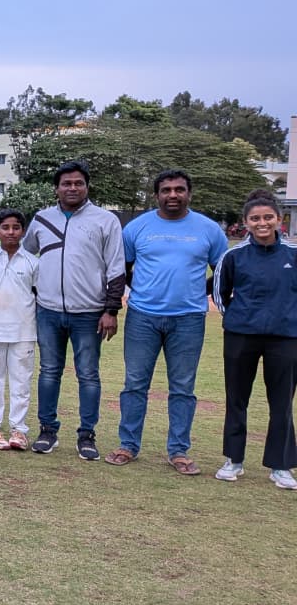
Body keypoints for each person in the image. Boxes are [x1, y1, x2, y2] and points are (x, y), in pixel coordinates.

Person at [105, 170, 228, 475]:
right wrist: (143, 289)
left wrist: (197, 290)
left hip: (188, 319)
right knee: (135, 384)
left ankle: (179, 451)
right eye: (166, 190)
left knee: (183, 387)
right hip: (142, 317)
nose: (173, 195)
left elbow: (223, 271)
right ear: (156, 194)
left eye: (179, 189)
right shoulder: (138, 227)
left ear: (189, 193)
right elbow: (123, 268)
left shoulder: (209, 230)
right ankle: (128, 445)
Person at [22, 160, 124, 459]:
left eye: (78, 183)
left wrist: (111, 310)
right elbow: (24, 255)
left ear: (87, 187)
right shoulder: (42, 219)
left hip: (89, 312)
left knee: (88, 374)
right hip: (48, 310)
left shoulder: (106, 220)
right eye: (66, 183)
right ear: (56, 188)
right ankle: (47, 430)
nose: (72, 188)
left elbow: (116, 267)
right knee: (49, 371)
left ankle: (87, 435)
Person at [212, 189, 297, 489]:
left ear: (278, 219)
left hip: (285, 338)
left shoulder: (293, 254)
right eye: (255, 218)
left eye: (268, 217)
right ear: (246, 222)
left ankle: (281, 466)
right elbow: (219, 293)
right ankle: (233, 460)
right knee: (237, 399)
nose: (262, 223)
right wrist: (237, 319)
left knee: (282, 403)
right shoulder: (233, 256)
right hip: (241, 336)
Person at [0, 209, 39, 451]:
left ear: (23, 231)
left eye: (16, 227)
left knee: (21, 382)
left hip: (24, 331)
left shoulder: (33, 262)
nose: (11, 232)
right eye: (5, 227)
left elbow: (39, 296)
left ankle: (18, 430)